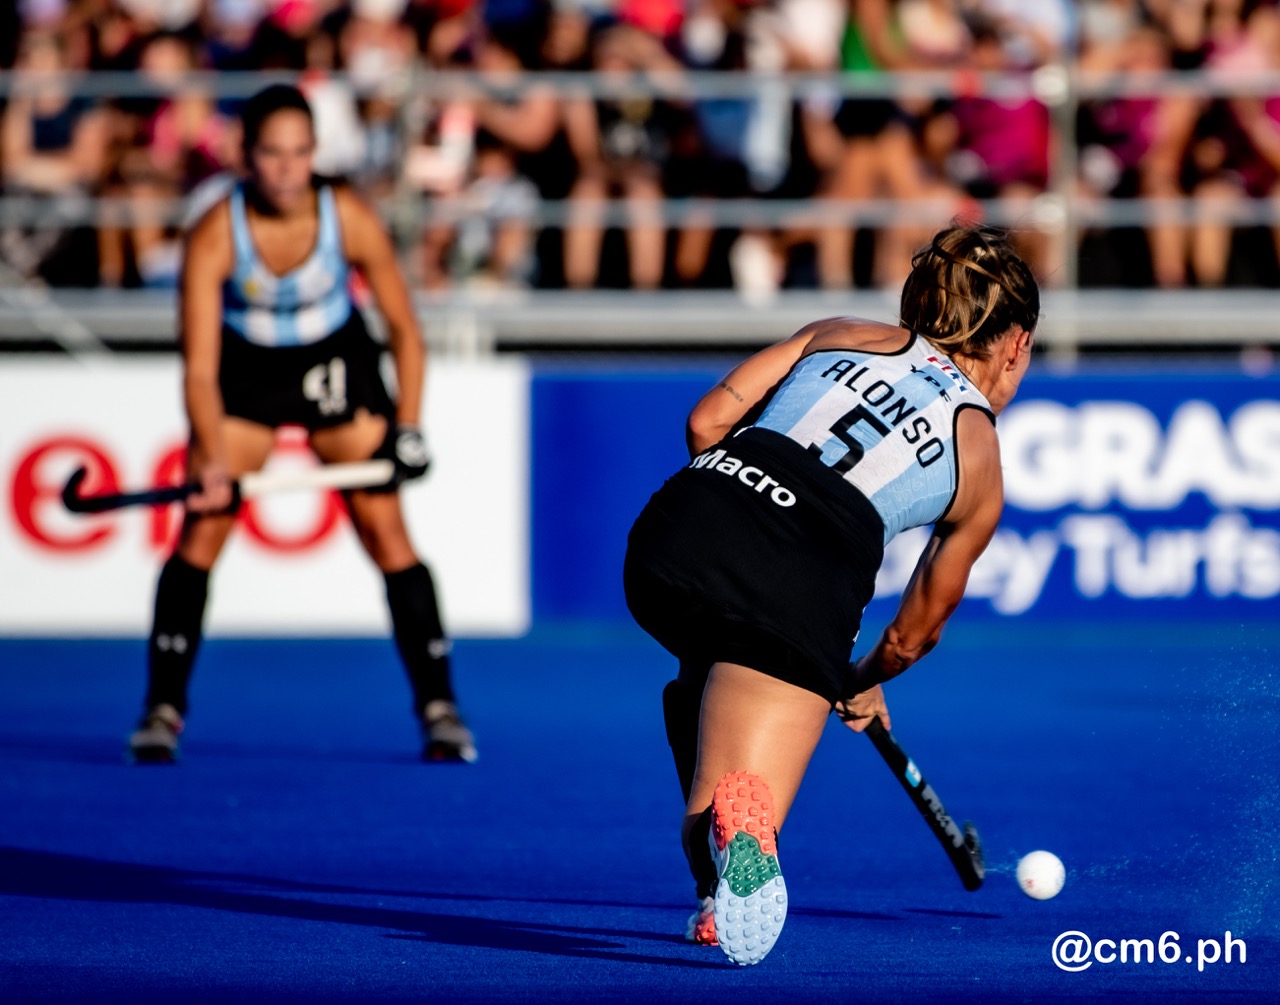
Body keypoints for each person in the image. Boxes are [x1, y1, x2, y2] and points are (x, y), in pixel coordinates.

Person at [623, 224, 1038, 965]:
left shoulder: (843, 330)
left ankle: (714, 896)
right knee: (738, 797)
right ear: (1017, 347)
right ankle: (734, 851)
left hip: (679, 529)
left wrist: (746, 518)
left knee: (708, 668)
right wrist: (852, 675)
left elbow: (707, 421)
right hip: (799, 589)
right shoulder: (979, 456)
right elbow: (911, 637)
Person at [127, 84, 476, 765]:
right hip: (247, 374)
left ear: (315, 153)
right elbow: (199, 369)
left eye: (300, 153)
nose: (288, 170)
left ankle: (440, 708)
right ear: (245, 156)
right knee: (202, 527)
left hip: (335, 367)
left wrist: (408, 426)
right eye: (272, 154)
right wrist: (211, 459)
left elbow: (405, 331)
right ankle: (162, 708)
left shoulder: (348, 216)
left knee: (386, 530)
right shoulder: (214, 233)